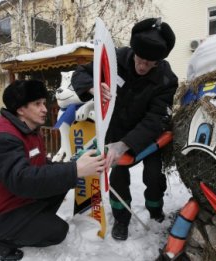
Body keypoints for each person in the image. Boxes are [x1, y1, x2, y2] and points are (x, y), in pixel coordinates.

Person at [0, 80, 105, 261]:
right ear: (20, 109)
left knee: (60, 183)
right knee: (57, 231)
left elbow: (40, 167)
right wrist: (74, 170)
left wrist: (74, 165)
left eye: (44, 103)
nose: (44, 109)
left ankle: (31, 223)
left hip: (15, 200)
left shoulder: (30, 130)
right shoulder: (1, 138)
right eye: (37, 104)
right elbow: (22, 180)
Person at [71, 17, 178, 241]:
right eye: (140, 59)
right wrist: (93, 87)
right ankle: (121, 219)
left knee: (154, 176)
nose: (142, 66)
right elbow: (80, 73)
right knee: (119, 178)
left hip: (146, 137)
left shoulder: (167, 80)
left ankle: (155, 209)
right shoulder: (116, 58)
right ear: (133, 51)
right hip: (115, 131)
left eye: (150, 63)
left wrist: (126, 144)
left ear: (159, 61)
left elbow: (155, 118)